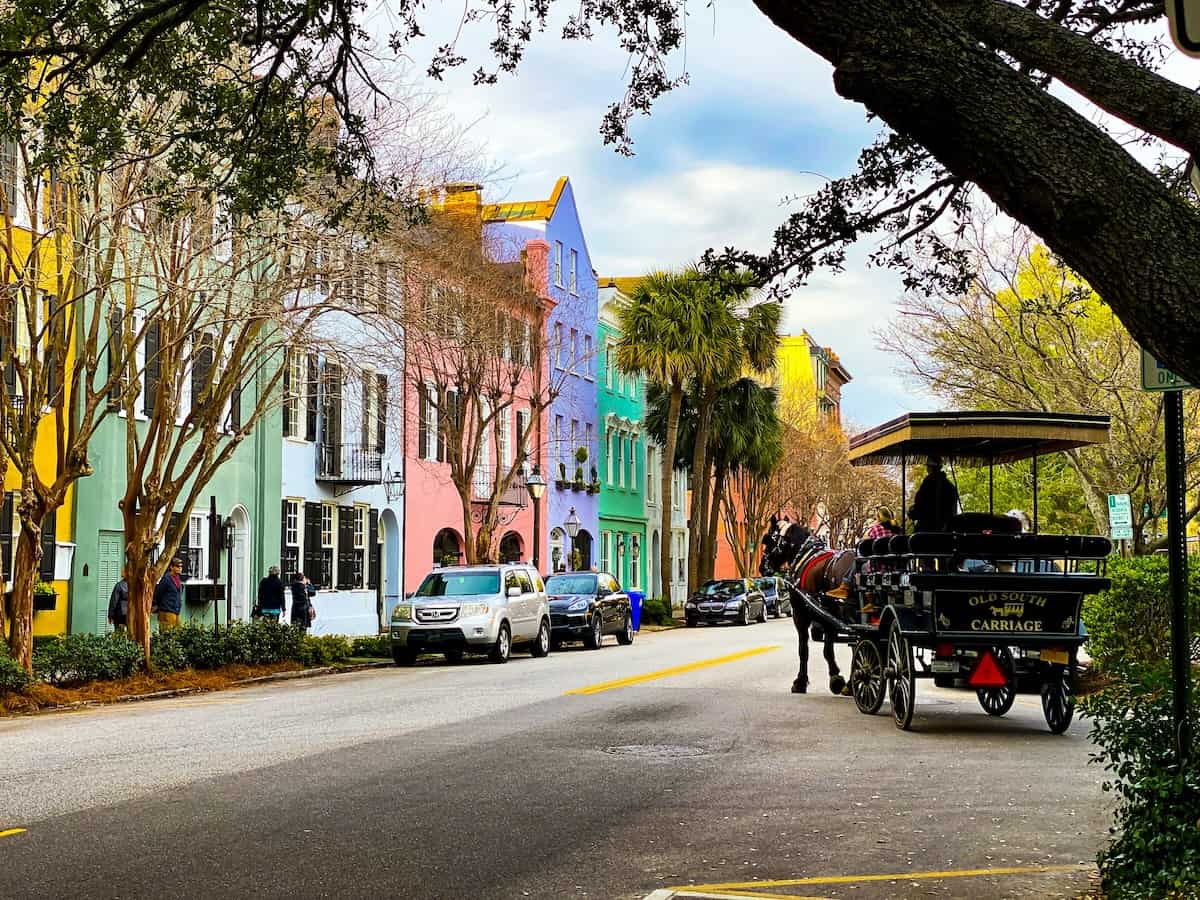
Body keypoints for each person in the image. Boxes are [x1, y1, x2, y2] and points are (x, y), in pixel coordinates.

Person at [908, 456, 959, 532]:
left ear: (929, 468)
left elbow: (920, 504)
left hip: (927, 529)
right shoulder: (950, 486)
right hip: (947, 531)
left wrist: (912, 511)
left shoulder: (928, 484)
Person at [152, 557, 184, 630]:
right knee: (167, 635)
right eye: (177, 566)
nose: (180, 568)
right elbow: (158, 594)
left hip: (175, 611)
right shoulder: (166, 579)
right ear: (171, 567)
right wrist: (161, 605)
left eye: (181, 566)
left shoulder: (178, 579)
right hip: (166, 611)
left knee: (179, 633)